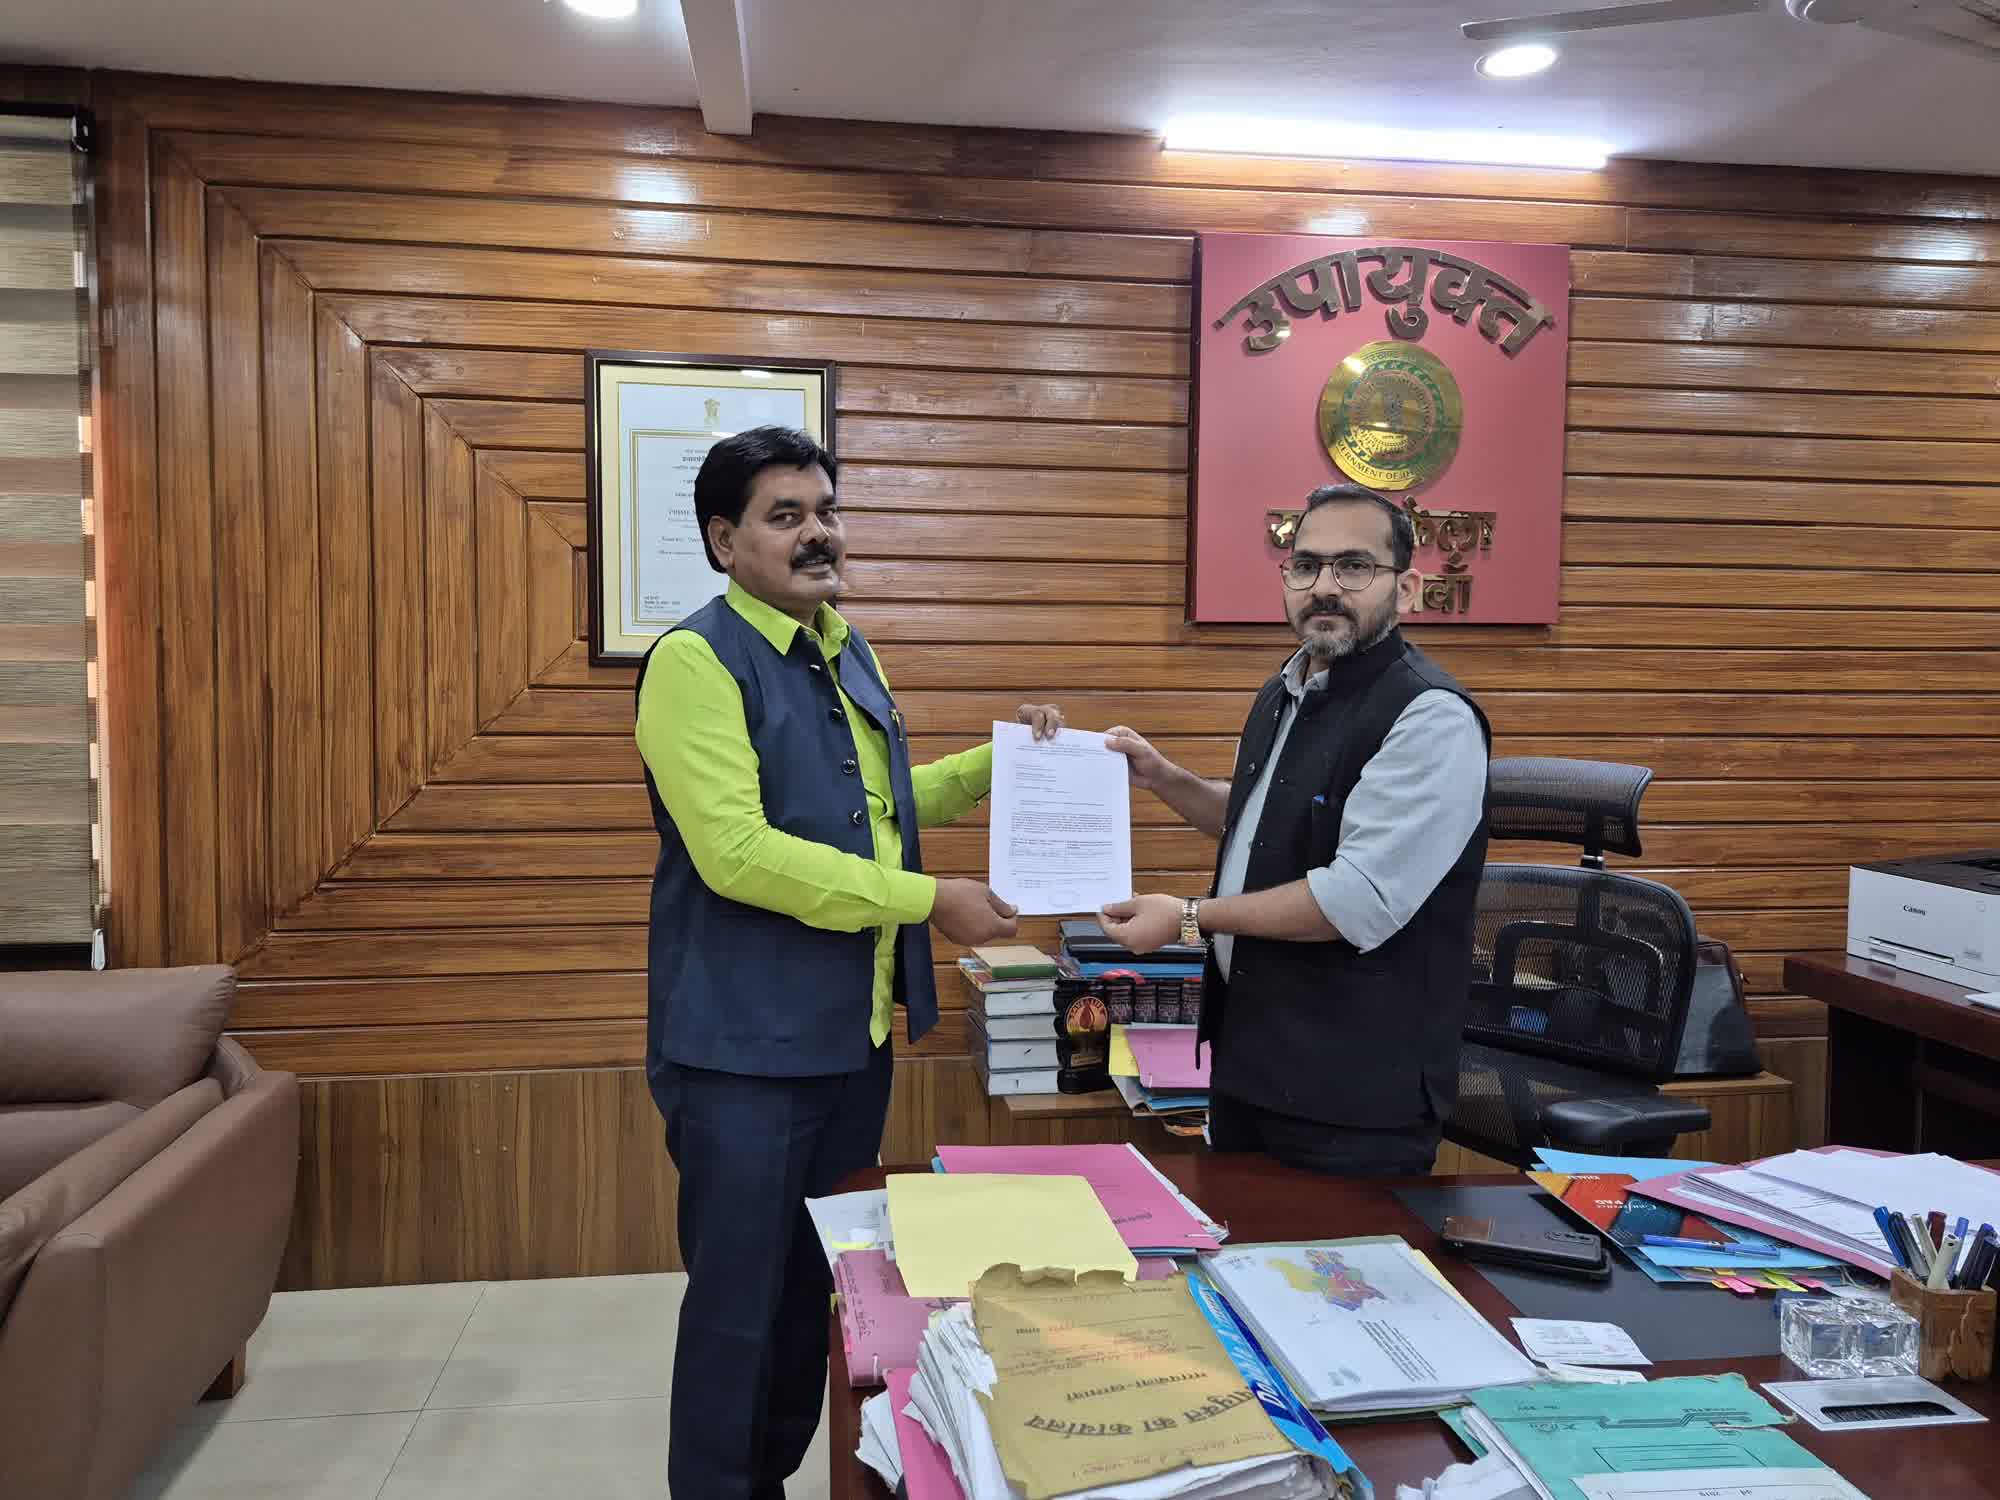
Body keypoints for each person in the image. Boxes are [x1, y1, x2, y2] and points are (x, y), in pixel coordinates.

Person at [632, 425, 1063, 1499]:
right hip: (740, 1056)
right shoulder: (694, 661)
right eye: (785, 517)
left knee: (815, 1295)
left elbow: (876, 813)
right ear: (724, 540)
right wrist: (929, 900)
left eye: (825, 511)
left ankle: (775, 1475)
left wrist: (1006, 763)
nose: (817, 534)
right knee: (737, 1308)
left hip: (849, 1041)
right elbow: (737, 854)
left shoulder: (844, 646)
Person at [1098, 482, 1490, 1176]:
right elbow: (1263, 826)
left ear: (1405, 590)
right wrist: (1163, 777)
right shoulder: (1285, 691)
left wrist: (1188, 918)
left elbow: (1353, 900)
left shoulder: (1431, 717)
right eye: (1306, 566)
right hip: (1250, 1064)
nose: (1325, 587)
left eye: (1354, 566)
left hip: (1352, 1096)